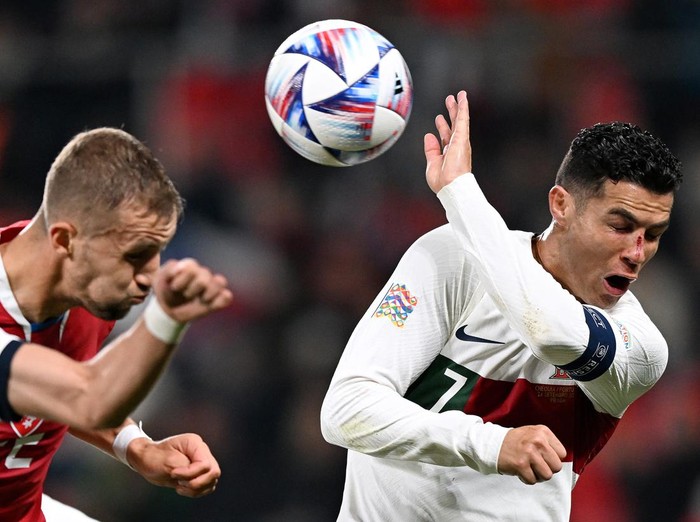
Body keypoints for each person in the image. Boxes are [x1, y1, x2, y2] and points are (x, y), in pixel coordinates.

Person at [320, 90, 683, 521]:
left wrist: (459, 192)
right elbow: (346, 410)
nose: (637, 253)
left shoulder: (640, 348)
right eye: (620, 226)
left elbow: (548, 331)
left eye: (654, 233)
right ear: (561, 205)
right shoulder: (450, 258)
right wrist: (491, 445)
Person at [0, 127, 233, 521]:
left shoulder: (77, 282)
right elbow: (86, 398)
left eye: (157, 251)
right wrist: (167, 318)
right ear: (64, 241)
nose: (150, 276)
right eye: (136, 255)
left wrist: (136, 446)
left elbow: (59, 391)